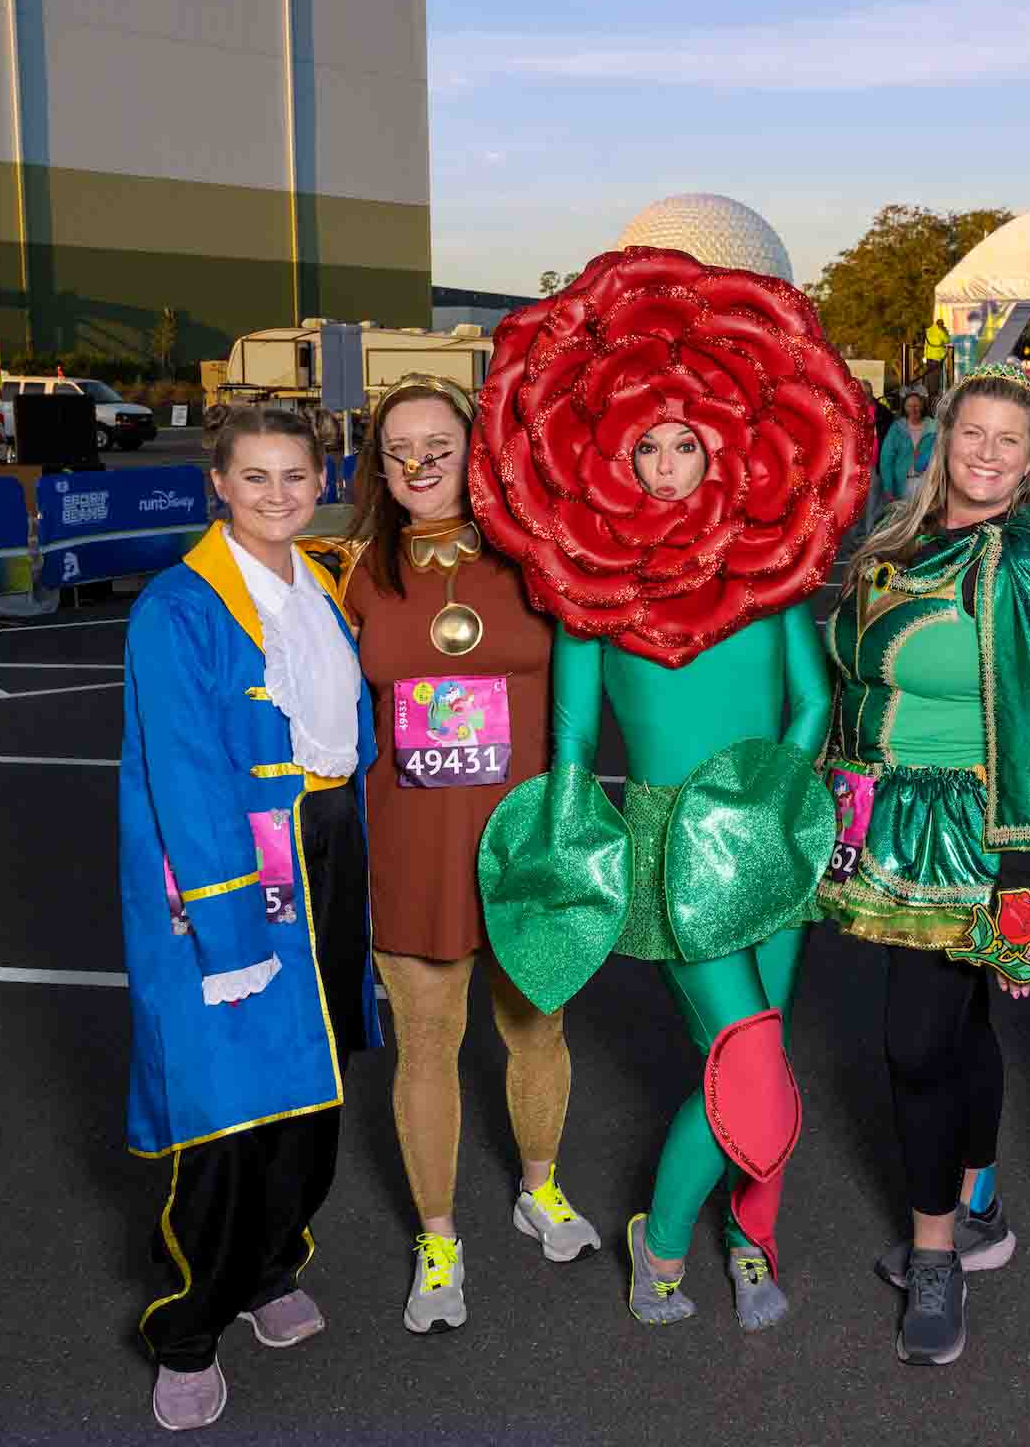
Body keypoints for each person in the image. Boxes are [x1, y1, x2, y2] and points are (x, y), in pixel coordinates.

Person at [471, 244, 870, 1333]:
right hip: (669, 849)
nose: (664, 462)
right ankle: (662, 1238)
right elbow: (570, 734)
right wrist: (564, 841)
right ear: (613, 454)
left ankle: (752, 1239)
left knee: (762, 1049)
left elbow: (811, 699)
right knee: (746, 1054)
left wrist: (770, 795)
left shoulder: (768, 567)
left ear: (719, 447)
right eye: (645, 444)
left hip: (771, 835)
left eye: (683, 442)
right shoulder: (585, 581)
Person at [120, 405, 380, 1431]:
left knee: (313, 1090)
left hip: (326, 855)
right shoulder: (176, 608)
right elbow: (184, 777)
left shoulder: (321, 585)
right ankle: (187, 1329)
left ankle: (273, 1267)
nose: (279, 494)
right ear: (218, 484)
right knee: (227, 1109)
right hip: (234, 871)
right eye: (256, 476)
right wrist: (227, 927)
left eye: (296, 476)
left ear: (323, 481)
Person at [818, 361, 1030, 1367]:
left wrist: (1027, 875)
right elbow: (855, 681)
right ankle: (978, 1203)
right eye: (973, 432)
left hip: (968, 832)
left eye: (1010, 441)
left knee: (914, 1046)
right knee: (959, 1024)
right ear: (942, 439)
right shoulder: (903, 535)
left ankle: (936, 1255)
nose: (987, 453)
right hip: (886, 818)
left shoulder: (1022, 558)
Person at [334, 373, 598, 1337]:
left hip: (525, 837)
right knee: (427, 1042)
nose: (418, 464)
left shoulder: (540, 560)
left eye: (438, 445)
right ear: (378, 465)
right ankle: (438, 1235)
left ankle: (540, 1188)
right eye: (398, 449)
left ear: (475, 450)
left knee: (538, 1029)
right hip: (411, 845)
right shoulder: (353, 573)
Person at [879, 388, 936, 508]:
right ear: (904, 407)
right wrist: (888, 487)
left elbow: (940, 454)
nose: (913, 409)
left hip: (927, 484)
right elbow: (886, 459)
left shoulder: (934, 427)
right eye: (909, 406)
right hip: (902, 485)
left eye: (916, 405)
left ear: (922, 406)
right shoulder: (897, 428)